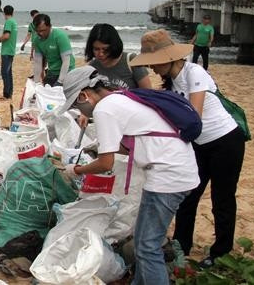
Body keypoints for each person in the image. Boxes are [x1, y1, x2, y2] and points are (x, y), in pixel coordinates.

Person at [61, 65, 199, 285]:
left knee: (147, 247)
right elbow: (132, 144)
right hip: (176, 170)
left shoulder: (104, 109)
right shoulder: (120, 97)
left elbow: (106, 164)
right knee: (144, 243)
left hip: (167, 177)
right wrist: (101, 146)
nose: (80, 112)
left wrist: (75, 171)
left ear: (83, 95)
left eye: (77, 105)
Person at [129, 29, 245, 268]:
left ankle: (220, 253)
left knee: (221, 199)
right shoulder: (170, 83)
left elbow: (194, 116)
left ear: (168, 57)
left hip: (225, 141)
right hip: (199, 145)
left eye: (153, 63)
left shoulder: (195, 72)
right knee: (188, 195)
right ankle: (182, 244)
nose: (151, 69)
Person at [85, 23, 151, 89]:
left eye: (105, 49)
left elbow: (147, 92)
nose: (101, 54)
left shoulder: (132, 60)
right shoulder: (92, 67)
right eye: (96, 49)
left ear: (114, 46)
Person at [31, 13, 75, 86]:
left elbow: (66, 61)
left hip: (67, 71)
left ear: (50, 26)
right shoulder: (37, 40)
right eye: (37, 31)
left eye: (43, 30)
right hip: (52, 72)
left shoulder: (60, 36)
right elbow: (38, 63)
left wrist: (60, 81)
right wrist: (36, 82)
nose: (40, 33)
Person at [0, 5, 17, 101]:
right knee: (9, 73)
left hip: (6, 51)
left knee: (5, 73)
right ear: (13, 12)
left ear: (3, 13)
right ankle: (9, 93)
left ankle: (6, 94)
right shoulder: (14, 22)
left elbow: (6, 36)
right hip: (11, 50)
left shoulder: (8, 22)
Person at [20, 9, 40, 78]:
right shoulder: (31, 25)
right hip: (34, 44)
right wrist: (24, 44)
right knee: (34, 60)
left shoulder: (42, 23)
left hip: (43, 44)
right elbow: (28, 35)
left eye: (38, 15)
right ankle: (35, 74)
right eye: (35, 16)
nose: (37, 17)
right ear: (32, 17)